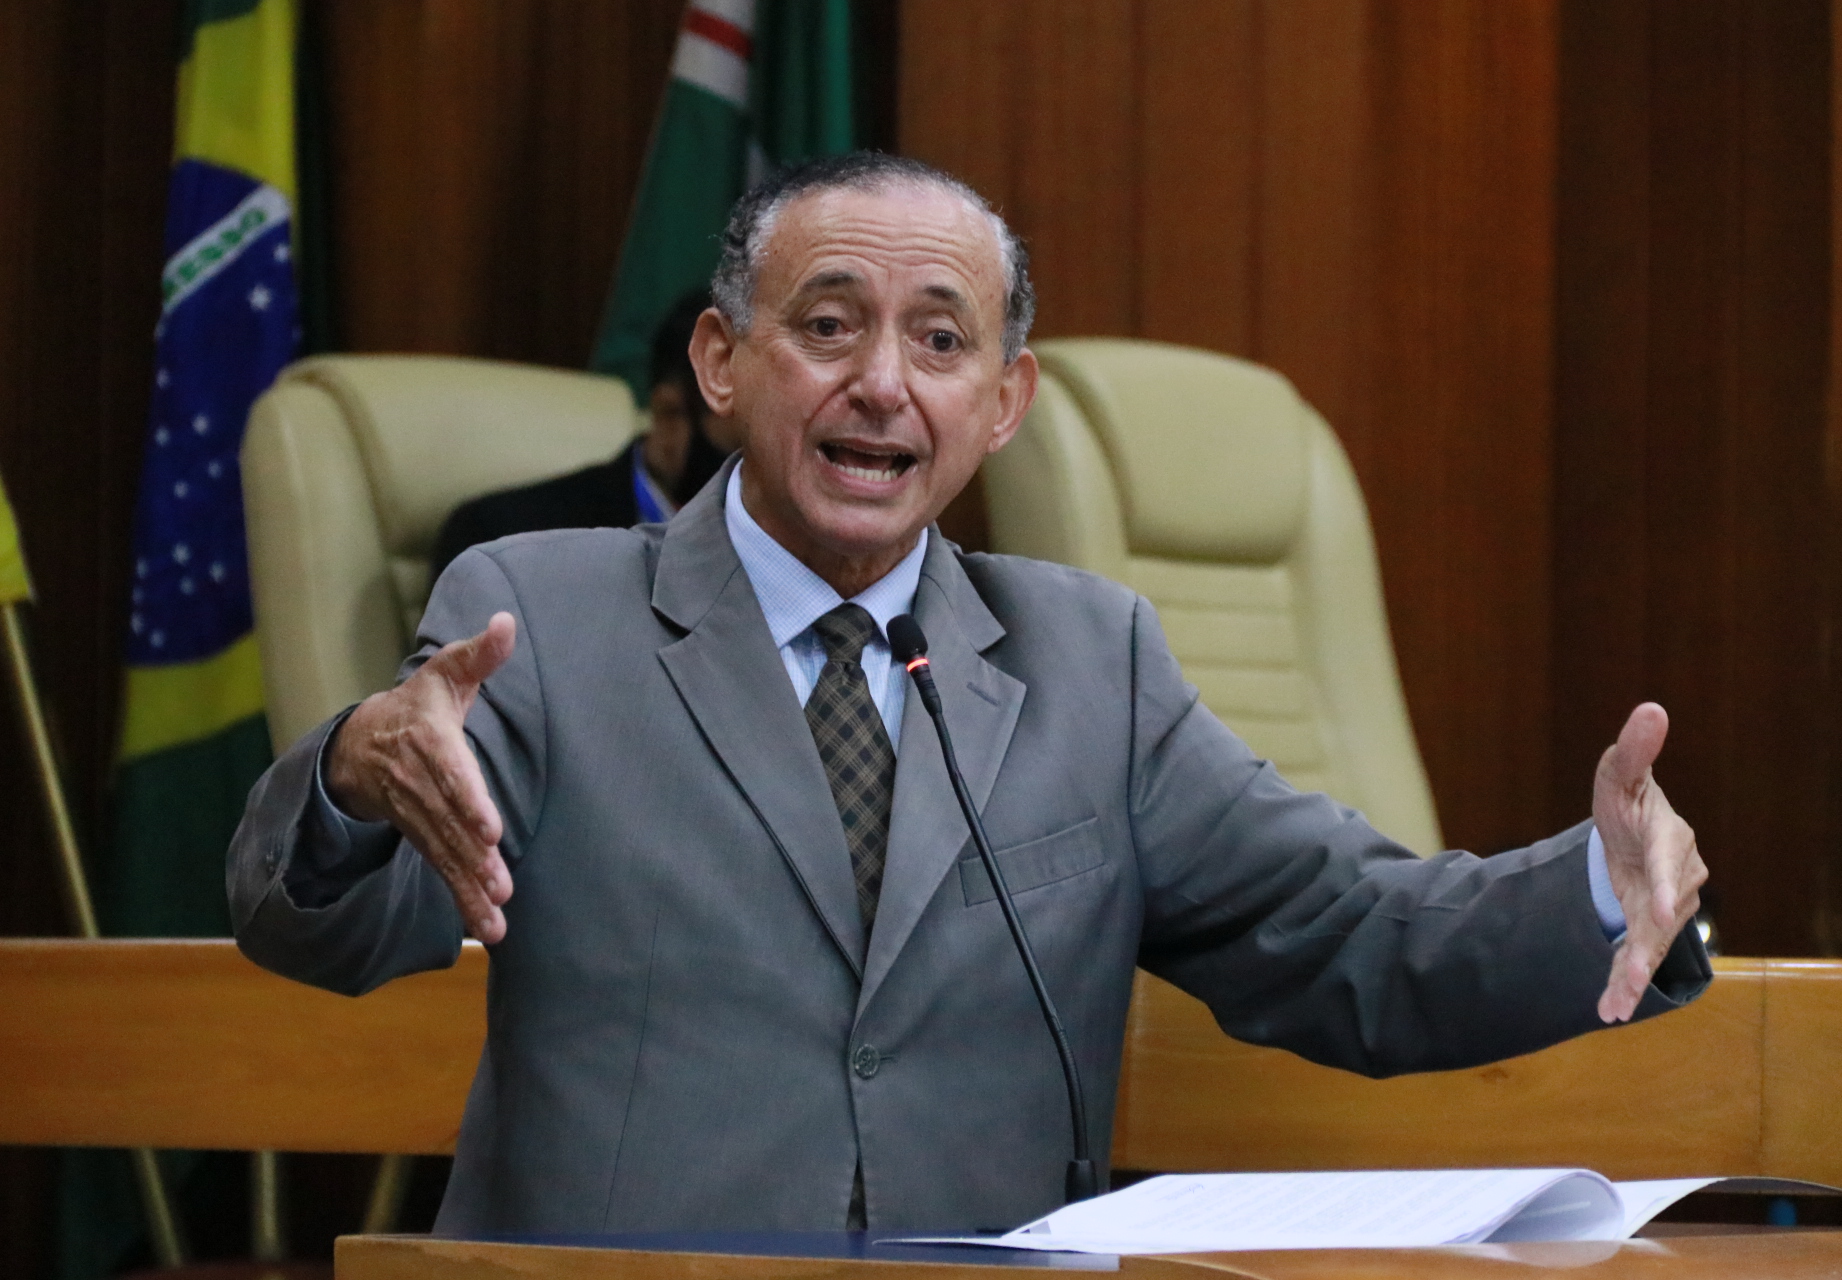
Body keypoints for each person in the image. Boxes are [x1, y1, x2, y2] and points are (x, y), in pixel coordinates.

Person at [228, 153, 1710, 1236]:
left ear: (1003, 403)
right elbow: (335, 929)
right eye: (828, 325)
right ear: (722, 362)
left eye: (941, 340)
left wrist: (1599, 885)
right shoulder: (539, 617)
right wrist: (356, 772)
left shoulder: (1090, 659)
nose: (885, 382)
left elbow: (1346, 932)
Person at [428, 289, 738, 586]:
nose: (750, 462)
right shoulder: (501, 540)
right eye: (739, 438)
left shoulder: (754, 544)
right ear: (669, 412)